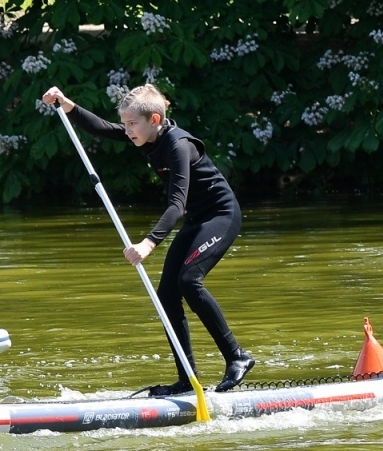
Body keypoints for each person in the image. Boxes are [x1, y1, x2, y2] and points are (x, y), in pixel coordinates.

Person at [41, 84, 255, 395]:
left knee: (189, 281)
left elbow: (176, 204)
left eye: (131, 124)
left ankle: (237, 356)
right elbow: (102, 127)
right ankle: (187, 379)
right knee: (166, 294)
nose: (126, 131)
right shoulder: (147, 136)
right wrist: (66, 104)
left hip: (220, 216)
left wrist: (148, 243)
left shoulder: (178, 145)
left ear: (154, 119)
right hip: (197, 220)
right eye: (125, 124)